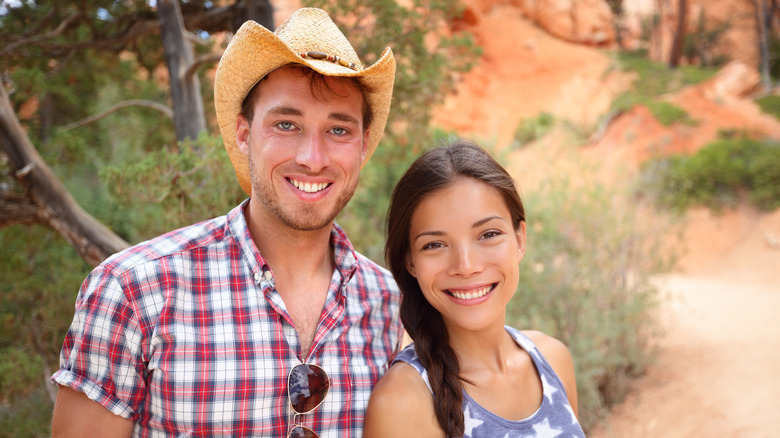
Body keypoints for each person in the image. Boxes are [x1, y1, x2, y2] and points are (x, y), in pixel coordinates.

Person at [51, 8, 403, 437]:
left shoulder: (392, 308)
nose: (313, 158)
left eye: (339, 130)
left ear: (364, 144)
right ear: (243, 133)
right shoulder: (133, 291)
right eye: (287, 124)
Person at [363, 138, 585, 437]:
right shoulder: (402, 402)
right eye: (435, 244)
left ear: (520, 238)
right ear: (410, 262)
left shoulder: (554, 360)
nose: (466, 265)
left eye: (488, 234)